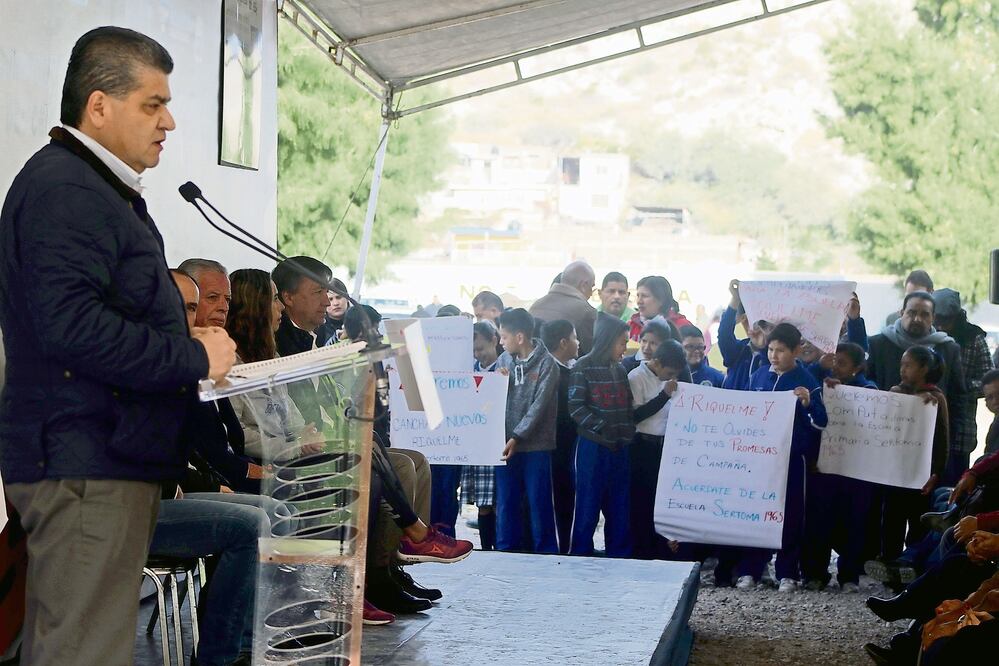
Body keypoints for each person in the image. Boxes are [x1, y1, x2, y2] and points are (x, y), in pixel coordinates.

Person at [0, 27, 237, 666]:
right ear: (99, 105)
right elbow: (72, 330)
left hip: (102, 458)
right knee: (82, 653)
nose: (170, 122)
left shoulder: (91, 187)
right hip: (84, 463)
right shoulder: (67, 190)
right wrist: (192, 356)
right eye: (152, 105)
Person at [740, 323, 828, 592]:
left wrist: (807, 404)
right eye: (771, 349)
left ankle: (787, 572)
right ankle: (751, 569)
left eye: (780, 350)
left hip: (791, 460)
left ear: (797, 351)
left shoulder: (807, 381)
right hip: (758, 460)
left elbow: (821, 423)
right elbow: (744, 410)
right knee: (754, 511)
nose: (774, 356)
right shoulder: (758, 377)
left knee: (790, 514)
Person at [800, 342, 878, 593]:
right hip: (823, 468)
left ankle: (849, 576)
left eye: (842, 363)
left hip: (856, 471)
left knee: (853, 523)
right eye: (833, 361)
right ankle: (814, 573)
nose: (835, 367)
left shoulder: (869, 390)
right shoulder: (818, 384)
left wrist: (845, 392)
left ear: (856, 368)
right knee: (817, 521)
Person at [569, 312, 635, 557]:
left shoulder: (619, 370)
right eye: (622, 343)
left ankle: (619, 554)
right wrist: (603, 427)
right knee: (587, 505)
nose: (625, 349)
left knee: (619, 506)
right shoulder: (583, 367)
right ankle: (581, 554)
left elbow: (628, 406)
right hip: (592, 447)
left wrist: (627, 433)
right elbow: (576, 407)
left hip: (619, 448)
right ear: (608, 341)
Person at [494, 309, 559, 553]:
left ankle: (546, 552)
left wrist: (517, 436)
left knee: (538, 501)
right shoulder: (503, 361)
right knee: (506, 502)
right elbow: (491, 398)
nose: (501, 342)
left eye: (504, 337)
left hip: (536, 446)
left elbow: (539, 407)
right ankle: (505, 549)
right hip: (504, 446)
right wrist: (499, 382)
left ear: (519, 337)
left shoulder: (547, 364)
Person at [879, 346, 951, 565]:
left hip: (921, 476)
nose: (903, 370)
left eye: (908, 365)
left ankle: (911, 564)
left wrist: (936, 473)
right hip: (895, 473)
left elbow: (942, 441)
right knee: (892, 520)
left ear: (924, 368)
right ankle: (889, 563)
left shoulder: (936, 399)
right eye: (901, 364)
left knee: (918, 522)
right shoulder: (897, 393)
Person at [628, 339, 687, 559]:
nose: (671, 376)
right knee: (642, 501)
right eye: (669, 371)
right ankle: (641, 550)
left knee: (660, 501)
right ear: (657, 362)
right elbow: (635, 416)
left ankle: (660, 549)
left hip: (665, 446)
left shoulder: (670, 381)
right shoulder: (636, 377)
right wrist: (664, 396)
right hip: (642, 446)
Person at [933, 288, 995, 483]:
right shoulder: (929, 337)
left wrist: (961, 388)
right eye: (938, 321)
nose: (942, 326)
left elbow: (987, 380)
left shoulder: (974, 338)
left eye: (946, 320)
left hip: (960, 428)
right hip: (929, 427)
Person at [461, 321, 503, 550]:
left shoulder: (504, 368)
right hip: (477, 444)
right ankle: (487, 548)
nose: (478, 354)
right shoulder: (469, 370)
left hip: (498, 443)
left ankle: (501, 545)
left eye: (482, 349)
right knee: (483, 502)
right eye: (474, 351)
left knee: (499, 502)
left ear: (494, 340)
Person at [540, 319, 580, 554]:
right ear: (564, 342)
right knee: (556, 498)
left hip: (570, 447)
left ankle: (566, 544)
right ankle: (558, 546)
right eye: (575, 337)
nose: (579, 342)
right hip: (553, 447)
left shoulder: (571, 369)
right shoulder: (550, 370)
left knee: (568, 497)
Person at [529, 260, 597, 354]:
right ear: (584, 285)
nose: (591, 293)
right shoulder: (586, 311)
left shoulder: (536, 305)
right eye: (591, 287)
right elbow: (591, 353)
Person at [718, 279, 771, 390]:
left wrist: (763, 348)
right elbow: (724, 334)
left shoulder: (775, 354)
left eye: (762, 322)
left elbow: (769, 375)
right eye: (748, 319)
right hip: (733, 405)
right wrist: (735, 299)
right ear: (743, 320)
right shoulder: (738, 350)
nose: (756, 326)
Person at [627, 275, 691, 342]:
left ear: (661, 299)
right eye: (638, 296)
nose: (639, 301)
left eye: (644, 296)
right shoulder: (631, 326)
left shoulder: (681, 326)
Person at [317, 276, 349, 345]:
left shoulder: (361, 318)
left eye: (339, 297)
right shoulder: (318, 326)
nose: (336, 303)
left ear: (347, 298)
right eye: (330, 299)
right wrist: (339, 338)